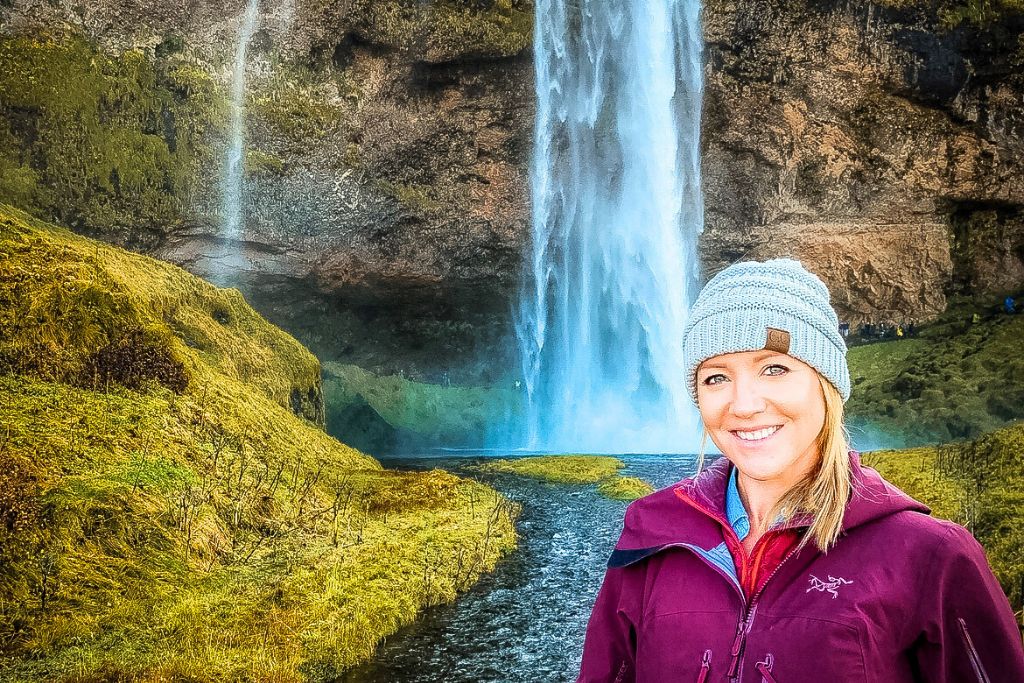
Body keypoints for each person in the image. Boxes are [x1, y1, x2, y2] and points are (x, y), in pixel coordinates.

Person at [577, 259, 1024, 682]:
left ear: (826, 385)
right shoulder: (651, 534)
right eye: (716, 377)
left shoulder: (931, 556)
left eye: (775, 369)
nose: (744, 404)